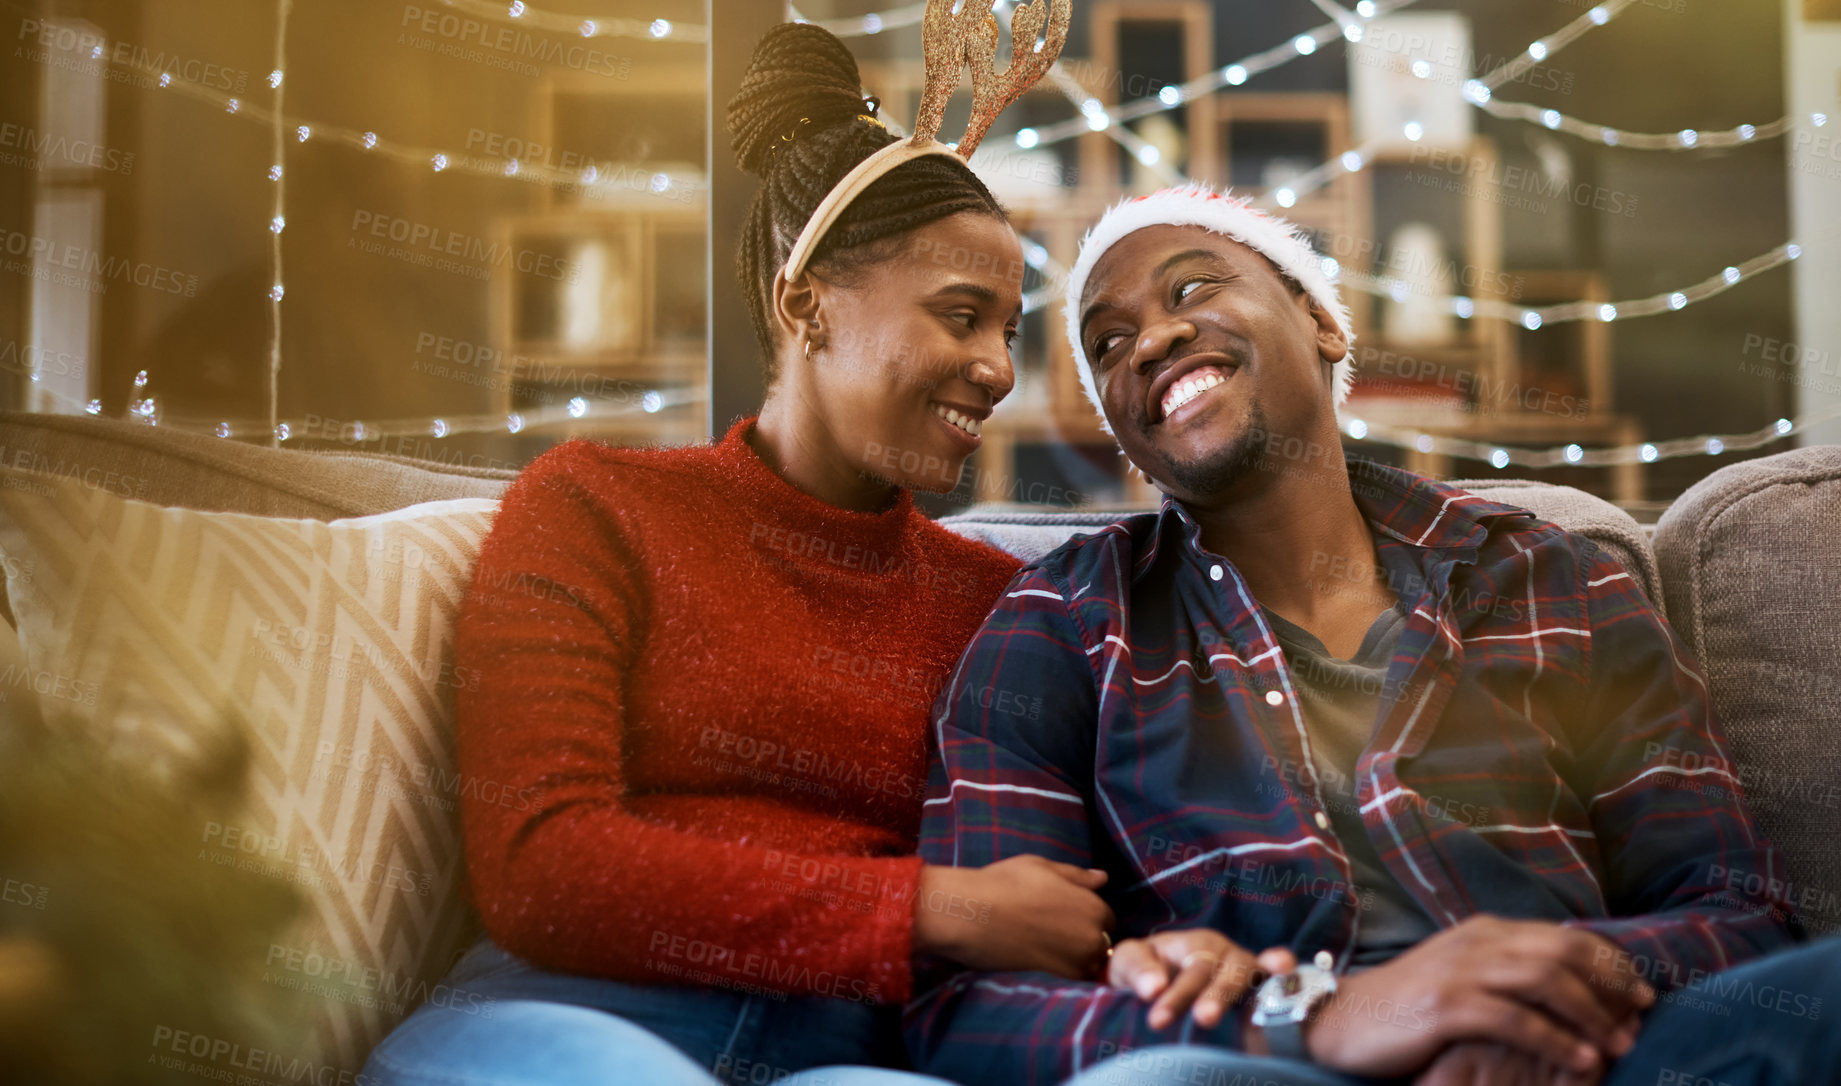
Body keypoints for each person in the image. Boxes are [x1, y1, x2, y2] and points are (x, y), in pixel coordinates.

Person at [903, 183, 1840, 1086]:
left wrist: (1537, 986)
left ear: (1322, 322)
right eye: (1107, 343)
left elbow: (1736, 914)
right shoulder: (1064, 622)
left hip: (1599, 1053)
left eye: (1193, 287)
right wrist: (1318, 1018)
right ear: (1118, 423)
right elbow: (970, 1012)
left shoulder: (1554, 578)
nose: (1152, 336)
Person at [360, 23, 1112, 1086]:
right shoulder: (596, 509)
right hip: (569, 1018)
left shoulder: (1002, 604)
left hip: (848, 1050)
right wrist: (934, 907)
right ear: (804, 306)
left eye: (1008, 330)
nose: (994, 368)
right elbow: (542, 866)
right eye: (959, 317)